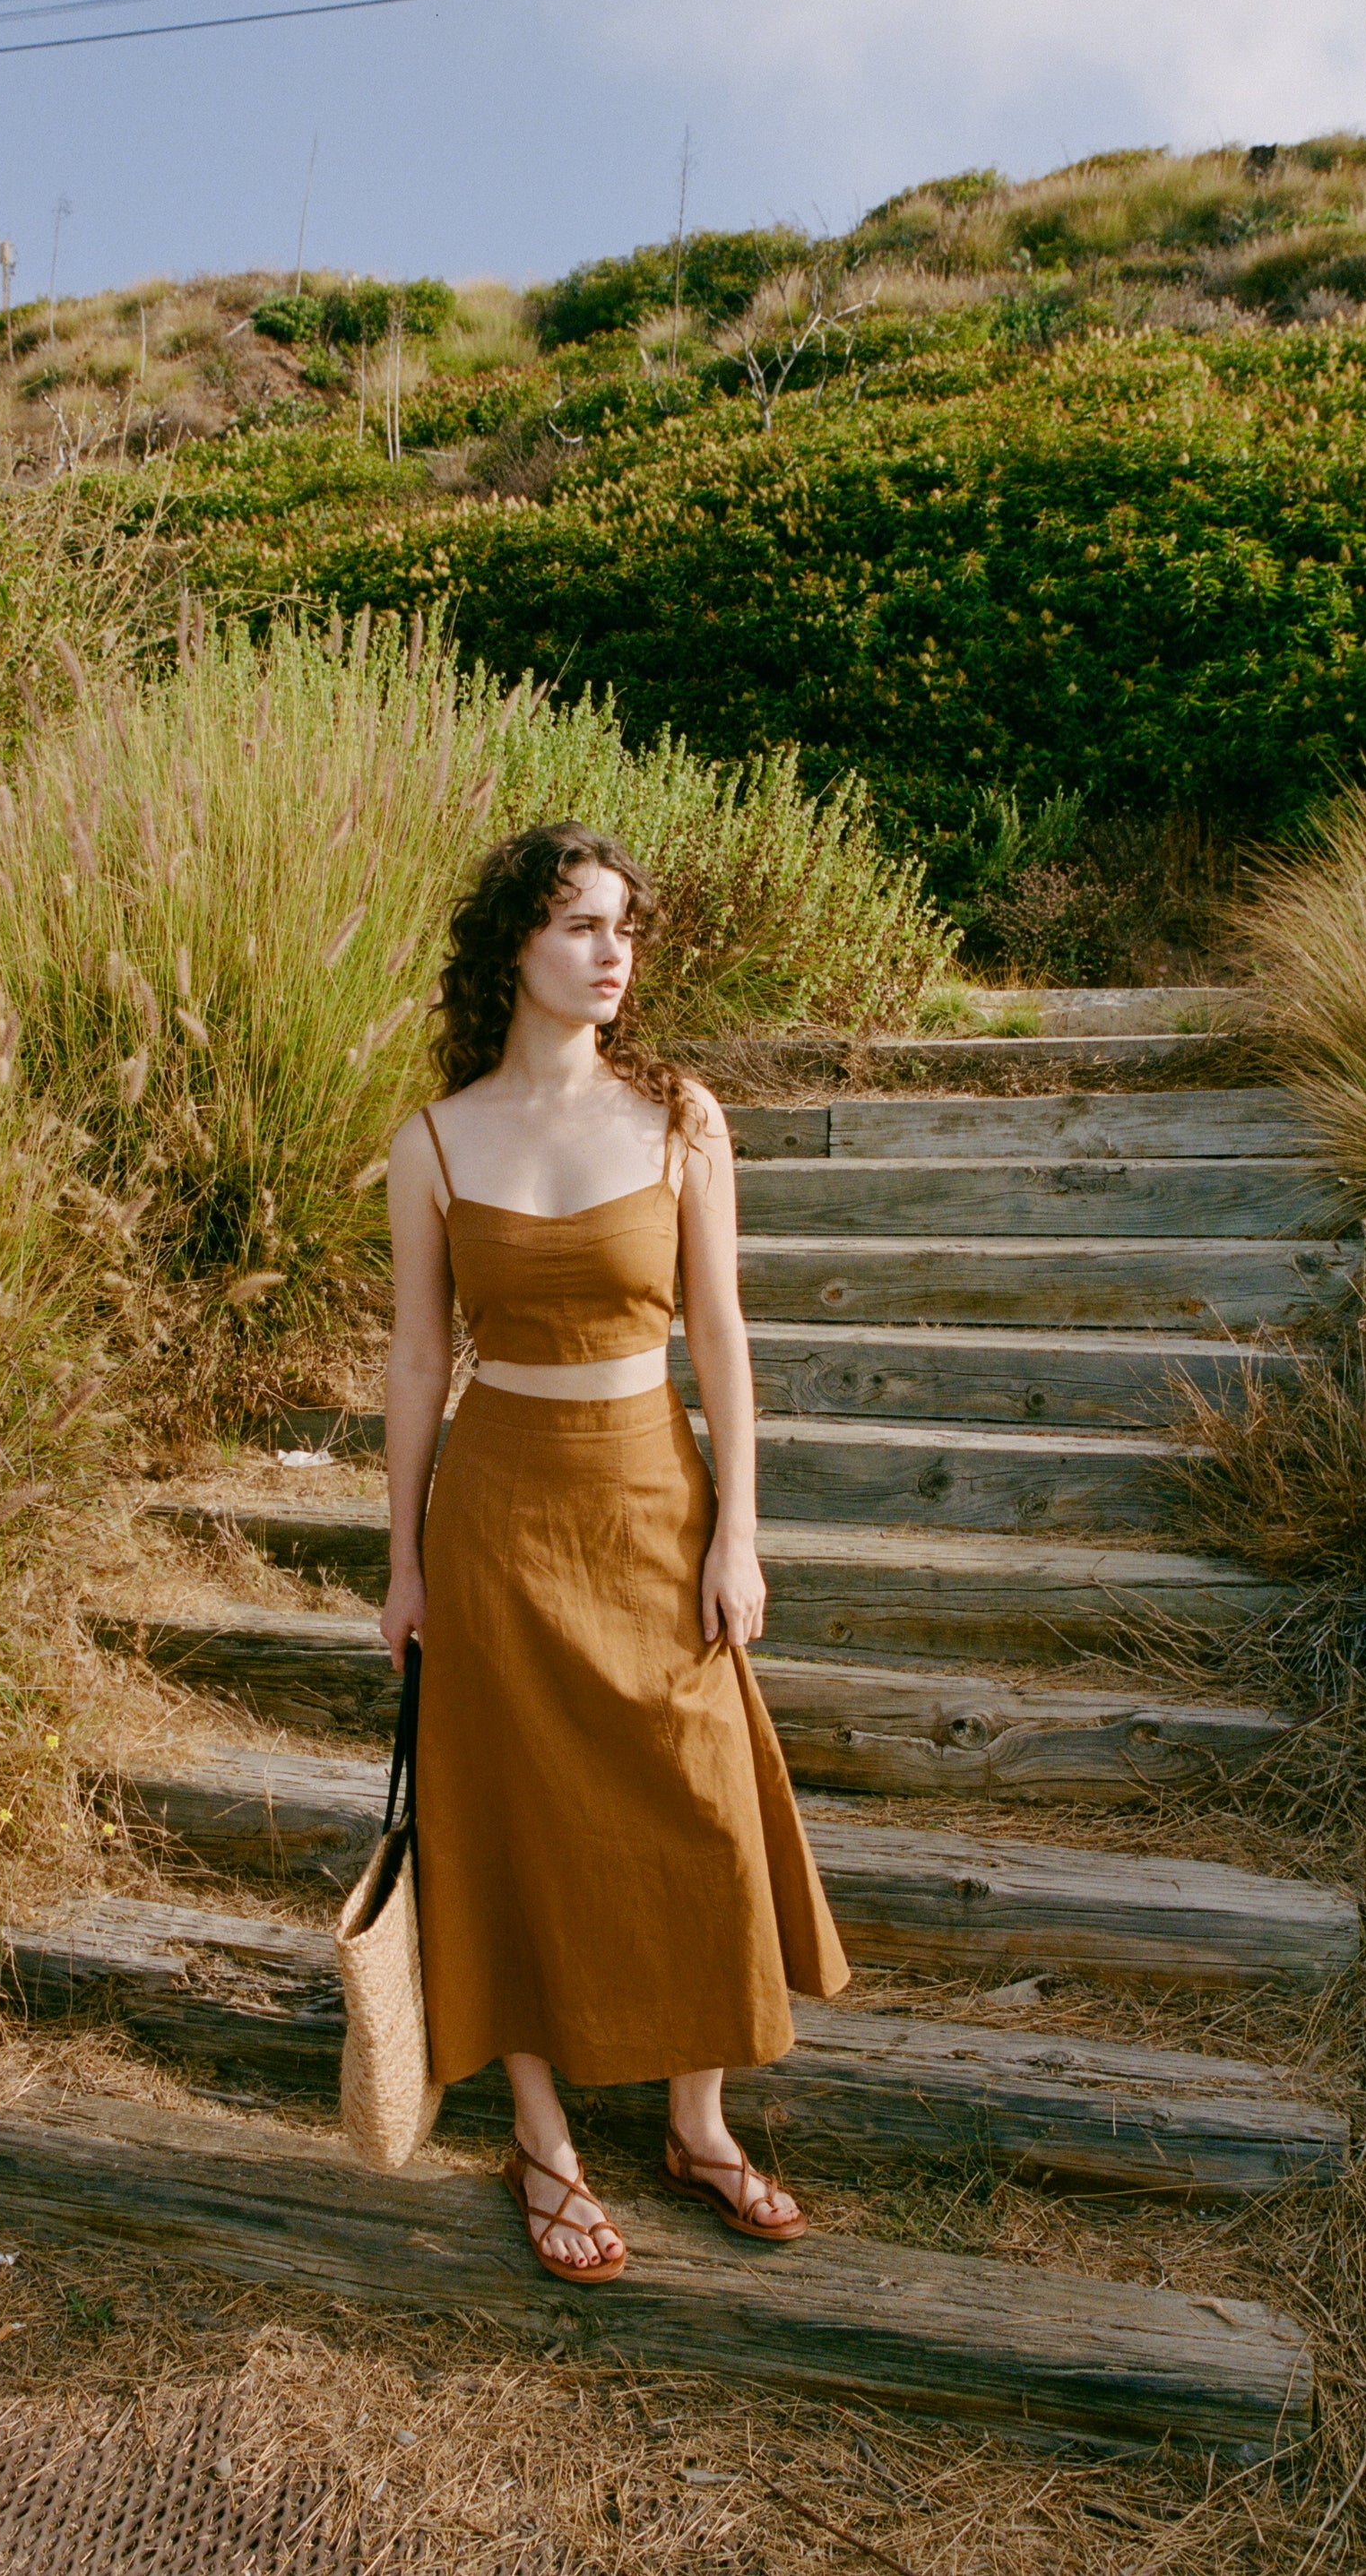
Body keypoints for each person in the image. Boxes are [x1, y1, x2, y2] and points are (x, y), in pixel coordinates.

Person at [378, 821, 850, 2285]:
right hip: (500, 1514)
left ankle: (698, 2124)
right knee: (511, 1813)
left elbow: (720, 1335)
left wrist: (742, 1527)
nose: (612, 952)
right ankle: (543, 2137)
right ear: (514, 945)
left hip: (654, 1497)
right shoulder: (436, 1139)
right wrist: (401, 1560)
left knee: (695, 1796)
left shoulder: (683, 1116)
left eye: (623, 927)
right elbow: (411, 1361)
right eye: (580, 925)